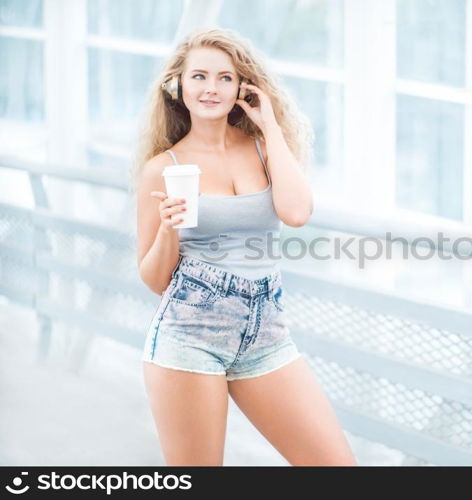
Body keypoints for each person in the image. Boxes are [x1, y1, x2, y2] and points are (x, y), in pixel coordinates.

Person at [131, 27, 356, 466]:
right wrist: (168, 228)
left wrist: (269, 123)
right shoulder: (163, 168)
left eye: (224, 78)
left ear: (242, 88)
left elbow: (296, 213)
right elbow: (155, 280)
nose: (211, 88)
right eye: (199, 76)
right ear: (178, 86)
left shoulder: (263, 148)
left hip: (265, 332)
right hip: (189, 333)